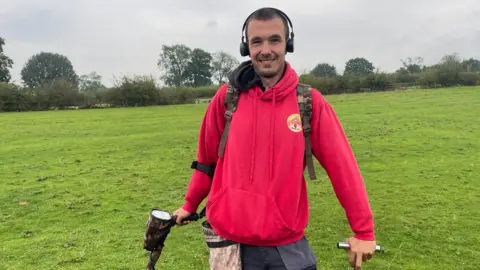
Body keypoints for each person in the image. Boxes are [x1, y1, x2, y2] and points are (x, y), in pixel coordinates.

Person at [173, 7, 377, 269]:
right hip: (229, 243)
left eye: (274, 40)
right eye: (256, 42)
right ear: (246, 47)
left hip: (285, 244)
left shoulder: (309, 103)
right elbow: (206, 161)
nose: (265, 50)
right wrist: (190, 203)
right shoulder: (226, 99)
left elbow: (343, 169)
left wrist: (364, 231)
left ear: (287, 44)